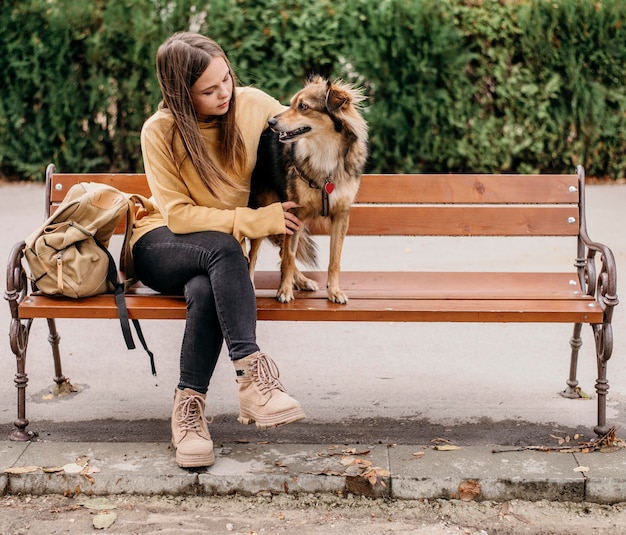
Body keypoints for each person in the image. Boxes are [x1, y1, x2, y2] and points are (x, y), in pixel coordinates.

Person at [130, 32, 306, 469]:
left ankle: (189, 414)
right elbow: (180, 217)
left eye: (226, 79)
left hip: (216, 255)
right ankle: (253, 379)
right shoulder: (161, 131)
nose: (224, 92)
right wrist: (255, 221)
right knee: (225, 249)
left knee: (207, 289)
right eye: (209, 90)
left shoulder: (251, 104)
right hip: (160, 243)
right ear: (180, 93)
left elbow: (304, 127)